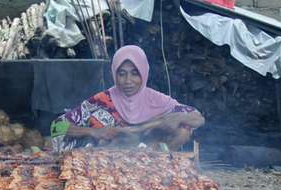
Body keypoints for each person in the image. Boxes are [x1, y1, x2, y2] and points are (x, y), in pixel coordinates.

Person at [50, 45, 205, 152]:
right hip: (106, 162)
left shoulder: (157, 100)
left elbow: (198, 118)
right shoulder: (100, 101)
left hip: (150, 162)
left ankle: (155, 173)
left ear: (144, 73)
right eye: (122, 73)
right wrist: (93, 132)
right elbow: (56, 127)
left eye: (135, 73)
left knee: (183, 129)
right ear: (114, 74)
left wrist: (178, 117)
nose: (128, 81)